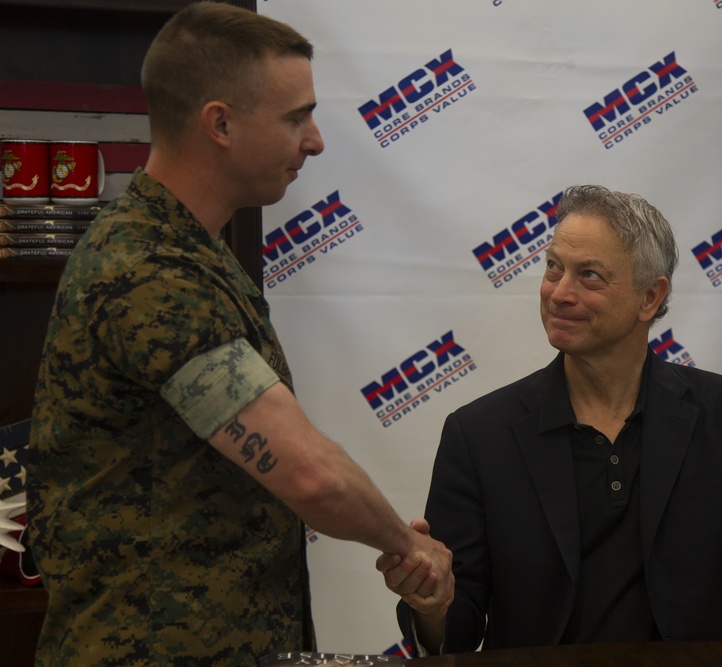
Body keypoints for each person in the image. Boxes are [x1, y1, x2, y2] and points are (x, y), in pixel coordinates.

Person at [26, 3, 452, 665]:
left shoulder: (193, 250)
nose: (313, 140)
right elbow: (311, 475)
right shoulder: (150, 271)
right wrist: (408, 545)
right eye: (294, 117)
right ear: (219, 123)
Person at [379, 185, 722, 665]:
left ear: (651, 297)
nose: (560, 292)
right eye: (553, 267)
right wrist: (431, 607)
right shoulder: (478, 434)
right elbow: (453, 631)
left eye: (590, 276)